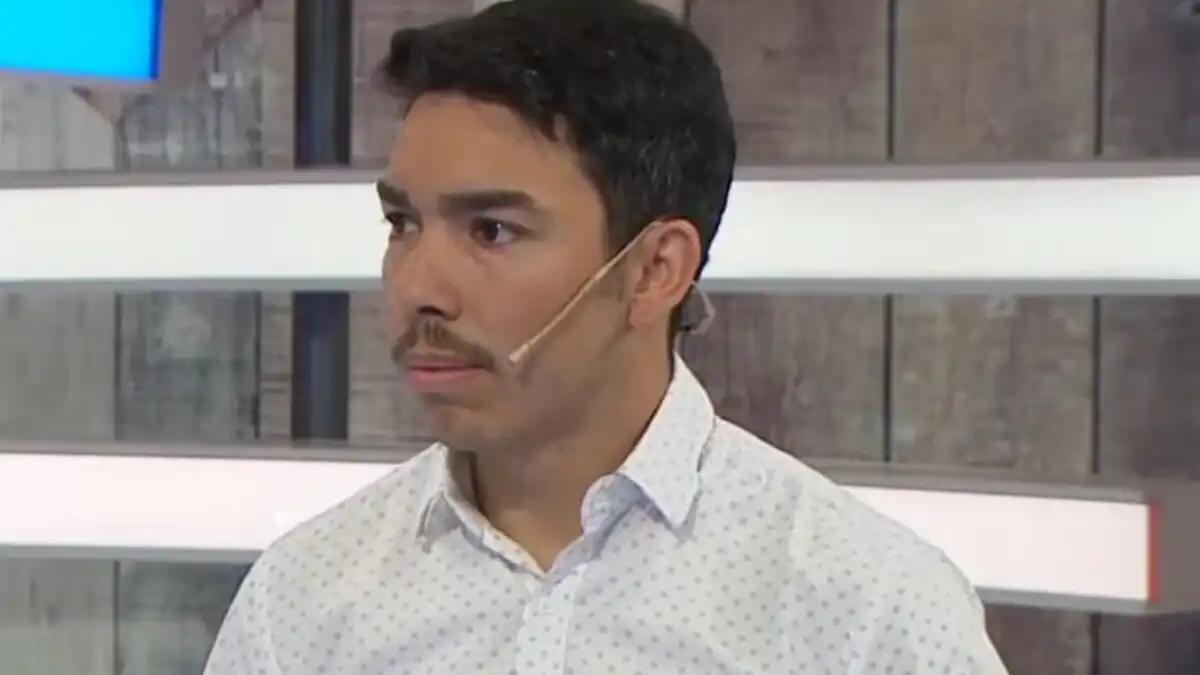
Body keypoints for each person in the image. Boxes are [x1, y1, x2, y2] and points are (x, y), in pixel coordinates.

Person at [203, 1, 1010, 673]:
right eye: (402, 224)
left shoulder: (869, 613)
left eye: (491, 230)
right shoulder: (300, 602)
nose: (419, 287)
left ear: (656, 268)